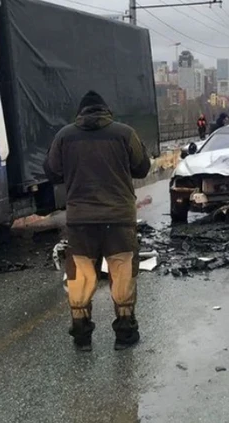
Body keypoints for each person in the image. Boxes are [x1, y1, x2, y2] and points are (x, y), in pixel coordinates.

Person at [45, 91, 151, 351]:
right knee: (122, 274)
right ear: (106, 111)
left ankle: (82, 337)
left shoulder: (64, 136)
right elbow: (142, 168)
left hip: (81, 221)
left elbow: (51, 171)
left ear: (80, 113)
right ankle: (125, 335)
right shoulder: (125, 133)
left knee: (80, 277)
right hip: (118, 219)